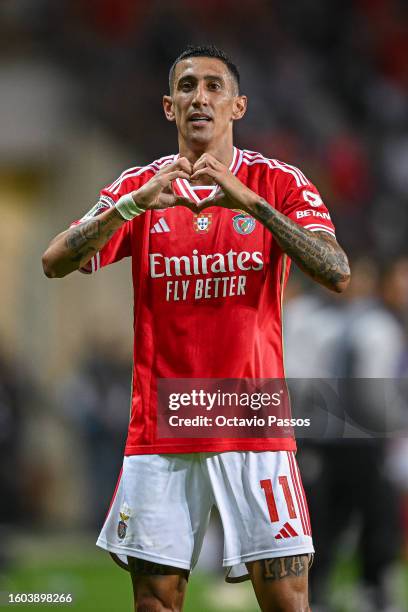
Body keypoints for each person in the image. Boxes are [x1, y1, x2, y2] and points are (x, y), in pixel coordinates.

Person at [42, 45, 350, 612]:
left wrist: (251, 203)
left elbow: (335, 271)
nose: (199, 97)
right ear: (168, 107)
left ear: (238, 106)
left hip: (251, 420)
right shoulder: (141, 187)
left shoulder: (276, 181)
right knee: (155, 603)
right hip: (164, 425)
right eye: (186, 87)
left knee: (286, 600)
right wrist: (128, 207)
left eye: (213, 87)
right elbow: (54, 260)